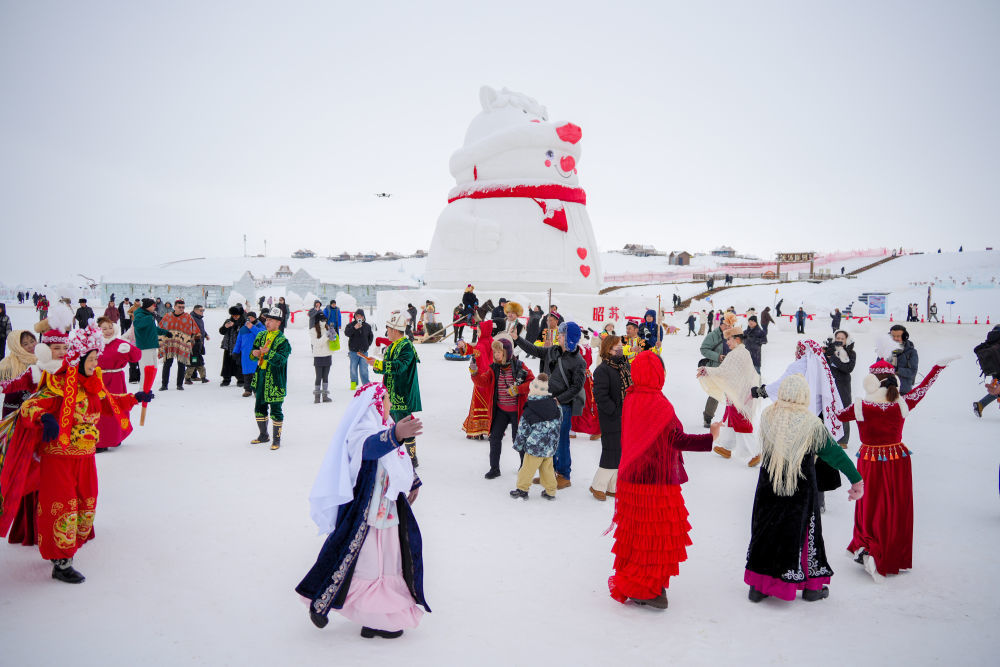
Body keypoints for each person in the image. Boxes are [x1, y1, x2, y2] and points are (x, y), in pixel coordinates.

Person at [2, 323, 151, 583]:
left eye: (96, 358)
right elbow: (30, 407)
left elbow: (108, 404)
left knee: (86, 502)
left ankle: (70, 548)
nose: (96, 363)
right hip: (58, 458)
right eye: (92, 359)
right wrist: (44, 418)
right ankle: (61, 562)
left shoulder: (91, 385)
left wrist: (135, 397)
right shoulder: (59, 382)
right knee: (61, 507)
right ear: (79, 359)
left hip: (85, 457)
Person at [296, 383, 428, 637]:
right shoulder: (361, 430)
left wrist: (413, 479)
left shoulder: (383, 425)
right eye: (386, 399)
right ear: (375, 403)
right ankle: (325, 603)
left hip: (387, 512)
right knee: (364, 565)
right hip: (365, 516)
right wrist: (395, 435)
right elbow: (370, 448)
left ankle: (376, 620)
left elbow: (397, 459)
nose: (389, 404)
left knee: (388, 564)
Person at [609, 351, 721, 609]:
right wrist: (710, 437)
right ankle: (646, 588)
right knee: (659, 537)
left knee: (638, 537)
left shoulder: (632, 399)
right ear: (658, 375)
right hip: (655, 484)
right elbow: (677, 440)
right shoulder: (659, 404)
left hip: (631, 480)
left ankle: (643, 584)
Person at [744, 374, 864, 603]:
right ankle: (811, 587)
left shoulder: (769, 416)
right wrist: (856, 479)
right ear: (804, 395)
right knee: (802, 534)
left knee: (765, 531)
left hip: (769, 488)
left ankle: (759, 586)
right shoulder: (811, 424)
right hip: (799, 491)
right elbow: (834, 454)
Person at [838, 358, 952, 580]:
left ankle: (868, 545)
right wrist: (937, 368)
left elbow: (838, 415)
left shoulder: (861, 406)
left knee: (869, 505)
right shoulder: (902, 403)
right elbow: (923, 388)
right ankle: (889, 550)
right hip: (897, 459)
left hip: (870, 460)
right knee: (894, 505)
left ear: (871, 382)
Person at [513, 321, 586, 489]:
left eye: (561, 334)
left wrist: (559, 400)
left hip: (563, 406)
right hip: (547, 402)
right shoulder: (553, 350)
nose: (558, 336)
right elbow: (536, 350)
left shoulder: (579, 362)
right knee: (548, 440)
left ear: (569, 339)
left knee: (561, 442)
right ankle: (549, 474)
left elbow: (576, 387)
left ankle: (564, 475)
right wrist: (518, 339)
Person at [467, 337, 533, 479]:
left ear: (507, 352)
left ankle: (524, 467)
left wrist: (518, 389)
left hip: (517, 411)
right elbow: (483, 382)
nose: (496, 355)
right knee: (495, 438)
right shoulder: (494, 368)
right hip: (501, 411)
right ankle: (494, 468)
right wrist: (474, 373)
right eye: (495, 352)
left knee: (519, 439)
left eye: (499, 352)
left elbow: (532, 382)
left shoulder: (520, 366)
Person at [698, 327, 761, 467]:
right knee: (731, 419)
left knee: (740, 422)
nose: (727, 342)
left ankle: (755, 453)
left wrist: (706, 370)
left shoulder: (737, 354)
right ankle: (726, 447)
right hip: (740, 393)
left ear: (737, 339)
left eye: (729, 339)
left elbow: (724, 372)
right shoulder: (741, 352)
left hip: (739, 395)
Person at [367, 312, 422, 466]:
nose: (387, 332)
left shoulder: (407, 347)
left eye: (389, 329)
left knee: (406, 423)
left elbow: (399, 367)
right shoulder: (393, 346)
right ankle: (395, 452)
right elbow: (388, 368)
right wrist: (375, 364)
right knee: (391, 423)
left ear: (396, 331)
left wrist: (379, 365)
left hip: (402, 394)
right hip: (390, 394)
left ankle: (412, 457)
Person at [590, 335, 632, 501]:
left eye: (621, 347)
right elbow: (600, 396)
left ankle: (611, 486)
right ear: (608, 350)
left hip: (625, 415)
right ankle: (597, 486)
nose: (620, 350)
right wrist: (615, 411)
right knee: (610, 451)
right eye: (617, 348)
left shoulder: (623, 365)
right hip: (611, 417)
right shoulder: (602, 370)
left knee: (620, 451)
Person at [95, 317, 142, 451]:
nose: (108, 331)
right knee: (100, 410)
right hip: (98, 379)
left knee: (116, 407)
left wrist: (129, 349)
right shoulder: (95, 345)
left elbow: (136, 356)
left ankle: (115, 437)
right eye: (104, 328)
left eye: (110, 327)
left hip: (116, 379)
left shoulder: (120, 343)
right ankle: (101, 440)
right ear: (99, 330)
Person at [510, 374, 560, 500]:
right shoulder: (555, 406)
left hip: (534, 446)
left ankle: (522, 489)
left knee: (527, 468)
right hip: (549, 446)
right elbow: (558, 423)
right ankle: (551, 491)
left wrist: (518, 445)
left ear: (532, 389)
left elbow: (522, 430)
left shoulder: (529, 409)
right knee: (547, 469)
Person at [249, 309, 292, 450]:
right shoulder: (261, 335)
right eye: (266, 320)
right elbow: (253, 353)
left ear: (278, 323)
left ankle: (276, 439)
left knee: (276, 409)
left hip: (275, 379)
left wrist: (269, 353)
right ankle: (263, 435)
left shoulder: (283, 341)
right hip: (261, 376)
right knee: (259, 407)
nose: (267, 322)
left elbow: (281, 360)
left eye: (271, 320)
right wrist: (254, 353)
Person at [460, 321, 497, 441]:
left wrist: (477, 375)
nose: (477, 332)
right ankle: (491, 429)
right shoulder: (492, 341)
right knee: (491, 405)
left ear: (484, 331)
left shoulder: (481, 345)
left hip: (482, 379)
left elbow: (478, 356)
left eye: (479, 330)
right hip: (493, 379)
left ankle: (477, 431)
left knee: (479, 404)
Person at [698, 314, 733, 427]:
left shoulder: (733, 335)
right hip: (716, 368)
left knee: (733, 394)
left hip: (730, 368)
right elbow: (703, 349)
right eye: (725, 325)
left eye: (729, 325)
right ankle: (708, 418)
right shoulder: (713, 335)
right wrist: (718, 357)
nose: (727, 327)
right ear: (721, 324)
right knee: (715, 393)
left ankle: (732, 419)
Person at [158, 299, 199, 391]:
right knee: (167, 364)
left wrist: (193, 338)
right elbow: (160, 328)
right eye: (179, 307)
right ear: (175, 307)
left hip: (182, 344)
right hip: (170, 344)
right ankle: (164, 385)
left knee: (181, 364)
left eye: (183, 307)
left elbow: (195, 330)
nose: (181, 309)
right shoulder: (167, 316)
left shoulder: (188, 317)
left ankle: (179, 384)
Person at [825, 331, 856, 445]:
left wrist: (833, 358)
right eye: (837, 337)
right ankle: (829, 438)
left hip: (843, 386)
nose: (840, 340)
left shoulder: (851, 353)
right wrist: (826, 353)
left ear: (846, 340)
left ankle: (843, 441)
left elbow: (848, 368)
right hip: (829, 386)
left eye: (842, 338)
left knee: (844, 412)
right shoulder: (830, 350)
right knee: (829, 411)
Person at [0, 331, 38, 417]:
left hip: (35, 408)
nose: (31, 345)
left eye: (32, 341)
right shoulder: (8, 364)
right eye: (25, 344)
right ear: (17, 347)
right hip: (14, 409)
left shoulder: (41, 359)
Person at [570, 340, 601, 441]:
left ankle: (573, 430)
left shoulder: (574, 347)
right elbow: (590, 361)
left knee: (575, 402)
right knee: (588, 402)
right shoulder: (586, 347)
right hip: (586, 377)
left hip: (576, 378)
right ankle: (593, 429)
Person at [232, 312, 264, 397]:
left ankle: (257, 390)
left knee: (255, 373)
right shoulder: (243, 328)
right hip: (245, 355)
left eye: (251, 317)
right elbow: (238, 341)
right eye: (248, 317)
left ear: (255, 318)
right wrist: (236, 351)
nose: (249, 319)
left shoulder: (260, 326)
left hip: (256, 354)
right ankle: (247, 390)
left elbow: (262, 335)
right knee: (246, 373)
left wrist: (252, 327)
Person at [972, 324, 1000, 417]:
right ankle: (981, 404)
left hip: (994, 370)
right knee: (997, 390)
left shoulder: (992, 341)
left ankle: (980, 404)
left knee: (996, 389)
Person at [345, 309, 373, 390]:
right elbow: (347, 333)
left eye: (360, 316)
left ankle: (366, 384)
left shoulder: (367, 326)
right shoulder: (351, 325)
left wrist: (367, 345)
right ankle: (353, 383)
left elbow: (370, 337)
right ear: (355, 317)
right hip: (354, 351)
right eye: (357, 316)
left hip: (364, 352)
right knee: (353, 368)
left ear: (363, 317)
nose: (359, 317)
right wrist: (354, 328)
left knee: (364, 369)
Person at [218, 306, 245, 387]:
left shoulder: (243, 322)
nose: (235, 317)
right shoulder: (228, 321)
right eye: (233, 316)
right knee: (227, 363)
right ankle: (226, 379)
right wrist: (225, 327)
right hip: (229, 346)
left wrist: (236, 326)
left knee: (238, 363)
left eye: (237, 315)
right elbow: (221, 331)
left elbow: (246, 332)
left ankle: (241, 379)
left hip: (239, 346)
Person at [310, 312, 333, 404]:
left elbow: (332, 341)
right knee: (319, 377)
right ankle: (317, 396)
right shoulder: (313, 330)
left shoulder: (328, 328)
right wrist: (326, 335)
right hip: (318, 356)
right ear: (317, 320)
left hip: (327, 355)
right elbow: (316, 343)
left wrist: (333, 335)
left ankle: (325, 396)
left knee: (326, 377)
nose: (324, 322)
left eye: (325, 320)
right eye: (322, 320)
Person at [888, 325, 918, 393]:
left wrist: (898, 370)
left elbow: (913, 372)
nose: (895, 338)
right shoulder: (884, 350)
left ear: (904, 337)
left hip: (903, 391)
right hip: (886, 391)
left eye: (898, 336)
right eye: (893, 336)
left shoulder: (911, 352)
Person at [184, 304, 210, 385]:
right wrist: (193, 337)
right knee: (194, 361)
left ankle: (196, 376)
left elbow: (201, 329)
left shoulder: (199, 319)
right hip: (193, 344)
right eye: (201, 310)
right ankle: (188, 377)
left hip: (199, 343)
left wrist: (205, 335)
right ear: (195, 310)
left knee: (198, 360)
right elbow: (188, 330)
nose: (202, 312)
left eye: (203, 310)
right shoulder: (191, 318)